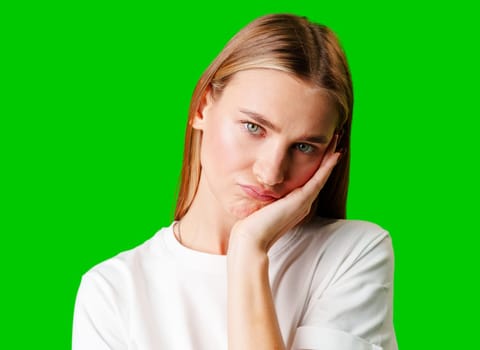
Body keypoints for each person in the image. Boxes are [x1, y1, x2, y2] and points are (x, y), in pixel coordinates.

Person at [73, 13, 397, 350]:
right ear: (202, 107)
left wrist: (248, 252)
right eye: (253, 127)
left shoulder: (352, 255)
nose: (271, 173)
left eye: (303, 147)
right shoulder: (112, 292)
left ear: (331, 150)